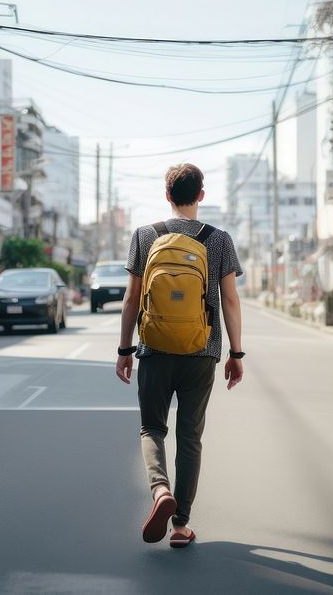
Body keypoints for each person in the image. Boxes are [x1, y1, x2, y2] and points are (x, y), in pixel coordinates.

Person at [115, 163, 245, 549]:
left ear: (167, 195)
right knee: (190, 436)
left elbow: (131, 298)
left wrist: (125, 350)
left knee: (152, 428)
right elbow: (231, 302)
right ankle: (180, 524)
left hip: (153, 348)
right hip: (201, 352)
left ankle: (159, 490)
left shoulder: (145, 235)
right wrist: (236, 353)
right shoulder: (218, 239)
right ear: (201, 195)